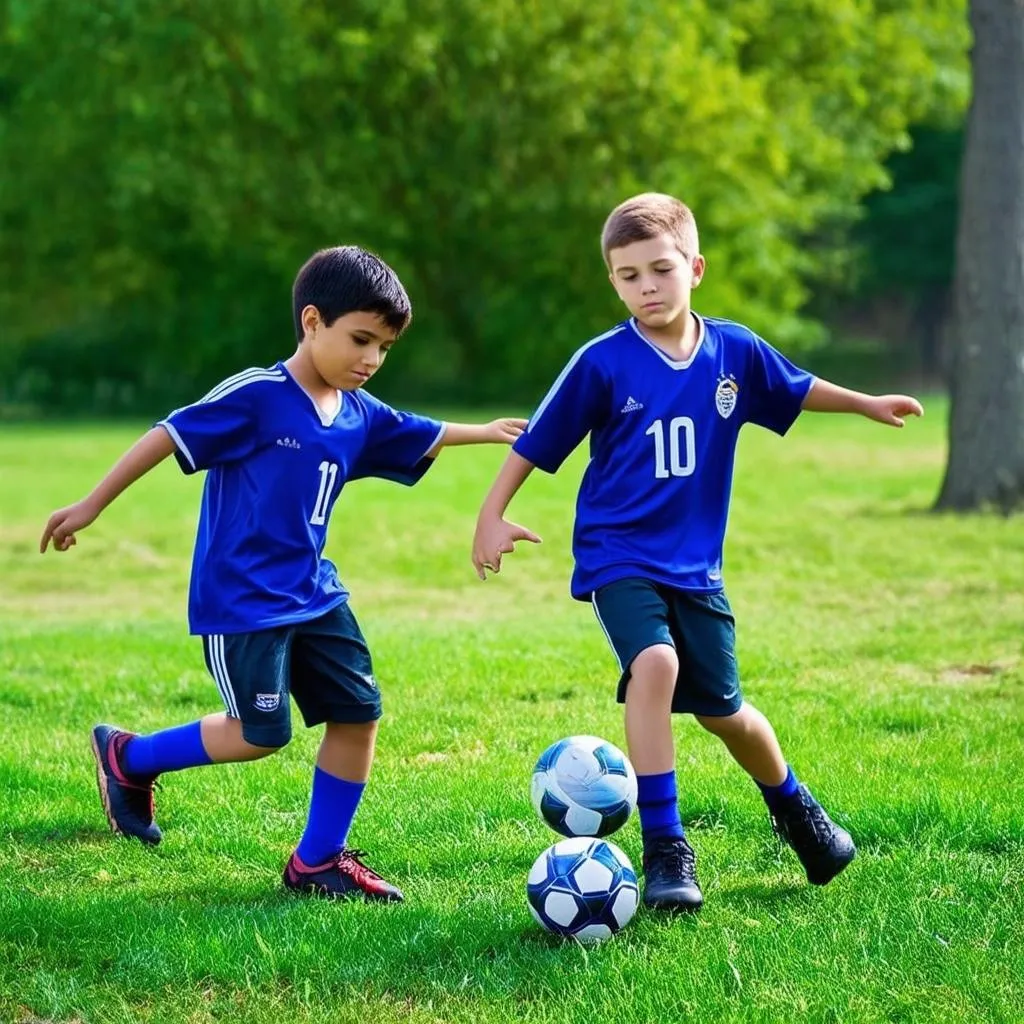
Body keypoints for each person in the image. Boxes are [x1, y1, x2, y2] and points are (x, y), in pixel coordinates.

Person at [471, 193, 923, 912]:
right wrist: (491, 515)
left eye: (660, 269)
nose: (646, 286)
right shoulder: (602, 363)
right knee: (655, 664)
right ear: (613, 282)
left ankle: (797, 812)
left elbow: (797, 388)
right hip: (618, 554)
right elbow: (534, 444)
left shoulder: (733, 351)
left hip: (697, 568)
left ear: (695, 268)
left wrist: (867, 403)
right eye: (627, 275)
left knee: (727, 712)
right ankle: (666, 849)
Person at [41, 245, 526, 903]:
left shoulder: (357, 412)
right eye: (360, 340)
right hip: (244, 601)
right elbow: (168, 434)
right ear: (311, 322)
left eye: (384, 348)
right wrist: (89, 506)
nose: (371, 360)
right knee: (258, 735)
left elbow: (423, 431)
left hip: (315, 593)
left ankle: (317, 861)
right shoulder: (259, 397)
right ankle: (129, 758)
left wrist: (492, 431)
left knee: (359, 711)